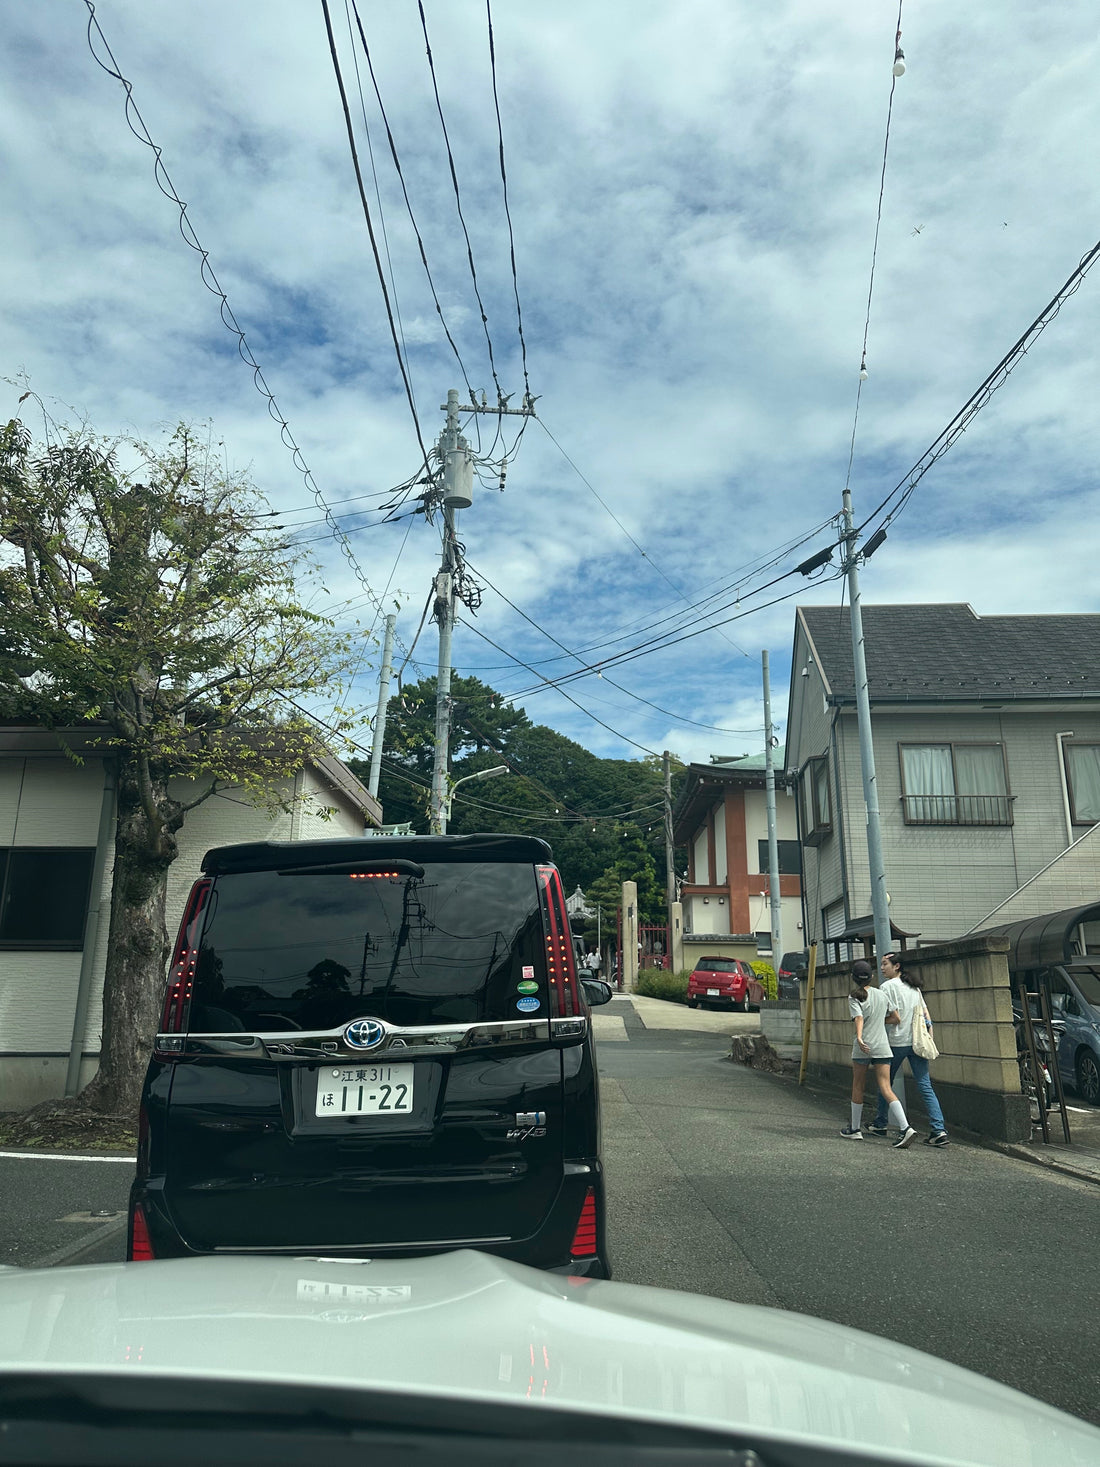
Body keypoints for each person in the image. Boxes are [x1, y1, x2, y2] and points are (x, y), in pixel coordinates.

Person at [870, 951, 949, 1147]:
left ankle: (880, 1123)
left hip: (897, 1042)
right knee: (925, 1085)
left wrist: (875, 1021)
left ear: (896, 966)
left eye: (885, 964)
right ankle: (938, 1129)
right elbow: (926, 1014)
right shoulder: (914, 987)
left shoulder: (886, 987)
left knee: (884, 1083)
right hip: (917, 1042)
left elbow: (892, 1017)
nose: (882, 968)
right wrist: (929, 1036)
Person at [843, 959, 917, 1148]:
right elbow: (896, 1018)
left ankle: (855, 1129)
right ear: (872, 976)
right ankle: (906, 1128)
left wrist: (860, 1037)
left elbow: (859, 1018)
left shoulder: (854, 996)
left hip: (864, 1046)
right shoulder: (882, 994)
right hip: (883, 1046)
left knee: (858, 1085)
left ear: (852, 977)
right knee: (886, 1087)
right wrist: (878, 1021)